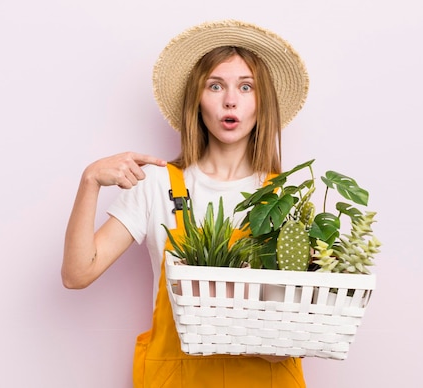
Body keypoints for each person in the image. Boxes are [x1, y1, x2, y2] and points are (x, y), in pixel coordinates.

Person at [62, 19, 310, 387]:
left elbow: (299, 326)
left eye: (246, 87)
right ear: (197, 99)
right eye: (215, 86)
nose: (230, 99)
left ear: (263, 103)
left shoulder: (285, 200)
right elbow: (77, 274)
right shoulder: (156, 185)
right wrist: (89, 181)